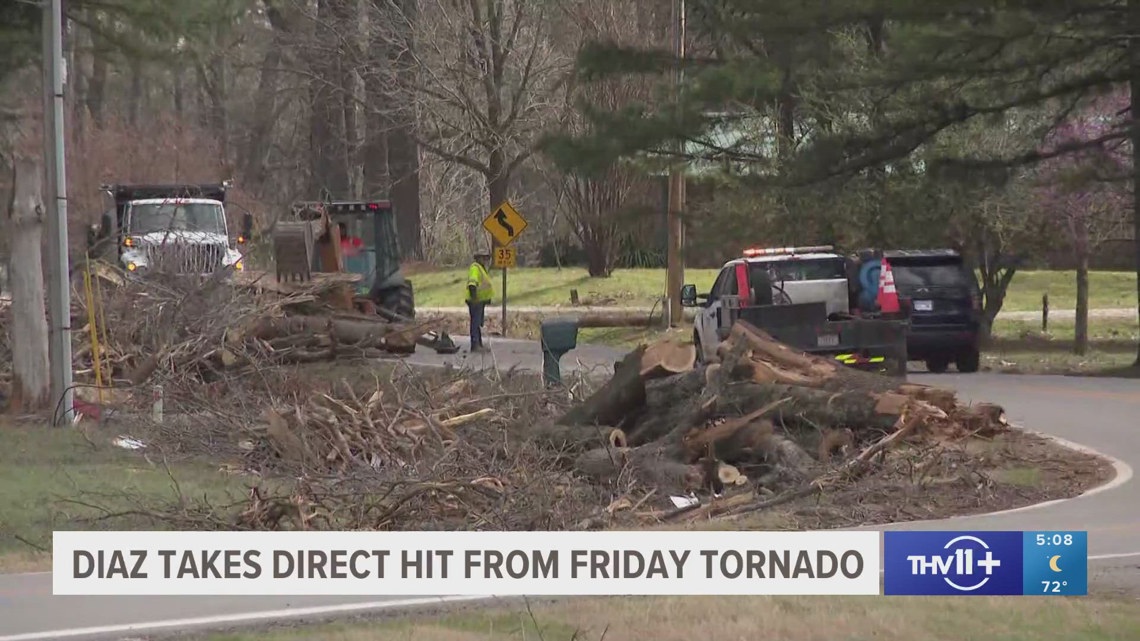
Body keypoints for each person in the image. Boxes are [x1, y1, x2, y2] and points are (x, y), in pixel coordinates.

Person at [465, 252, 494, 352]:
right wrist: (475, 298)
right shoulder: (475, 268)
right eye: (484, 258)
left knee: (478, 323)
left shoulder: (481, 268)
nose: (486, 260)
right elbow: (472, 284)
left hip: (480, 301)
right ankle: (475, 345)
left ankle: (479, 344)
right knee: (475, 323)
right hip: (475, 301)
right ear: (478, 258)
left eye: (487, 258)